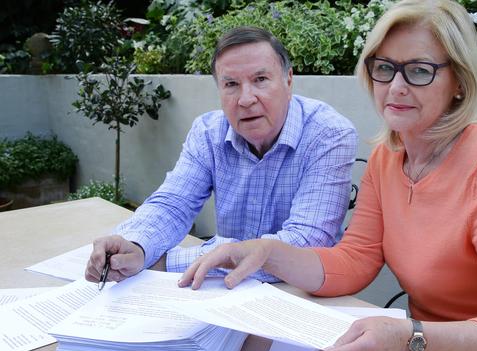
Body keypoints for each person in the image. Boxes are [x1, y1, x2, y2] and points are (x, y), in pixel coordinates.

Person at [178, 0, 477, 351]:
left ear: (460, 83)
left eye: (419, 71)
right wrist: (268, 252)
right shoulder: (389, 156)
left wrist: (410, 339)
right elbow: (356, 261)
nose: (395, 87)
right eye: (385, 68)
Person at [85, 26, 358, 285]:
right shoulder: (208, 132)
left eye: (260, 80)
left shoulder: (329, 134)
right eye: (231, 84)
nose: (246, 99)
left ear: (288, 80)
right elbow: (172, 204)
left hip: (300, 296)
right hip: (224, 293)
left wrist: (166, 262)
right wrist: (136, 245)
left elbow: (307, 242)